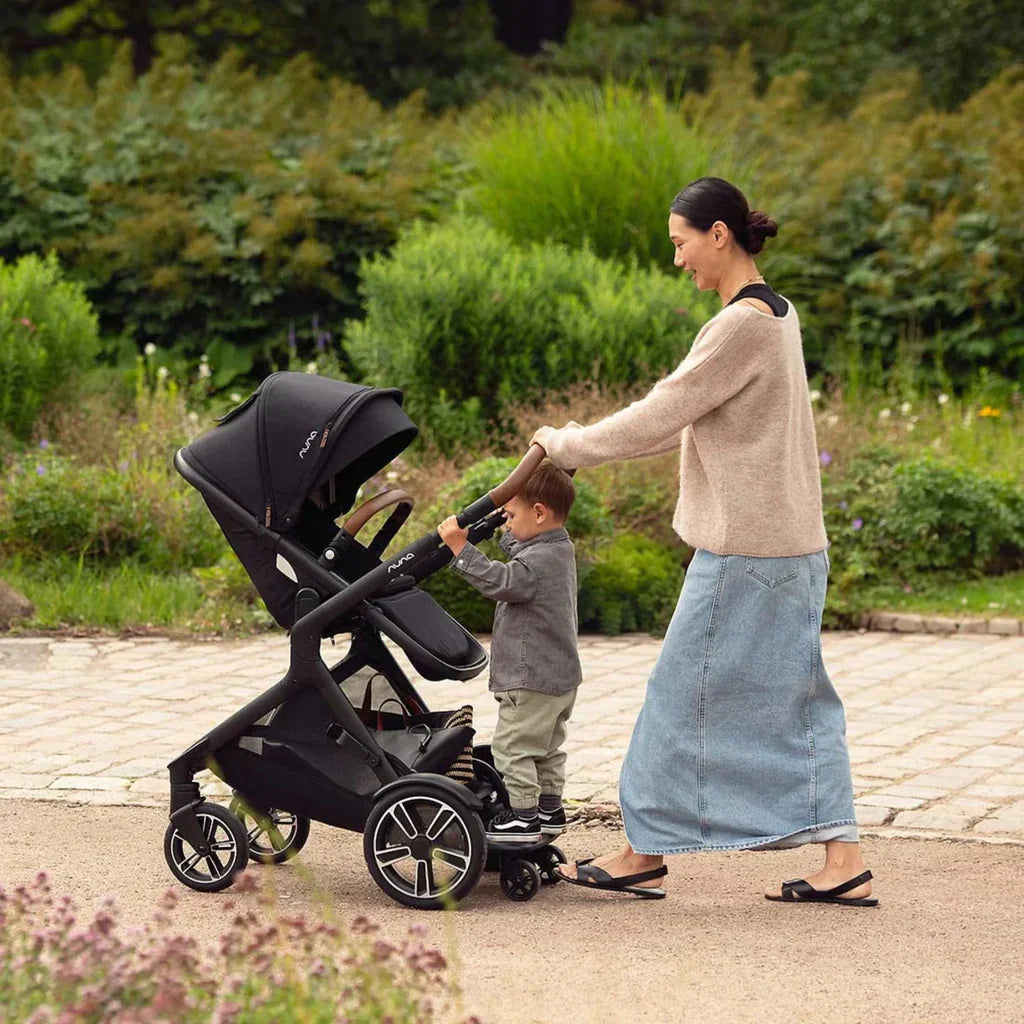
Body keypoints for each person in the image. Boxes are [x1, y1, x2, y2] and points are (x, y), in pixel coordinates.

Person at [532, 177, 876, 906]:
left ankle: (640, 851)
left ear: (719, 234)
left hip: (747, 554)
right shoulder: (779, 313)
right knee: (797, 701)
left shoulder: (741, 326)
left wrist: (567, 444)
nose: (678, 259)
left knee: (674, 695)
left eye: (681, 243)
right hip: (792, 548)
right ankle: (841, 857)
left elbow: (663, 412)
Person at [437, 460, 582, 843]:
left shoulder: (533, 566)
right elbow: (522, 546)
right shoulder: (558, 547)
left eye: (512, 515)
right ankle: (550, 810)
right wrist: (504, 527)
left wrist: (460, 549)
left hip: (529, 677)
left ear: (538, 512)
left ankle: (522, 817)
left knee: (513, 747)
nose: (507, 521)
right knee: (547, 748)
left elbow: (501, 580)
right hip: (559, 678)